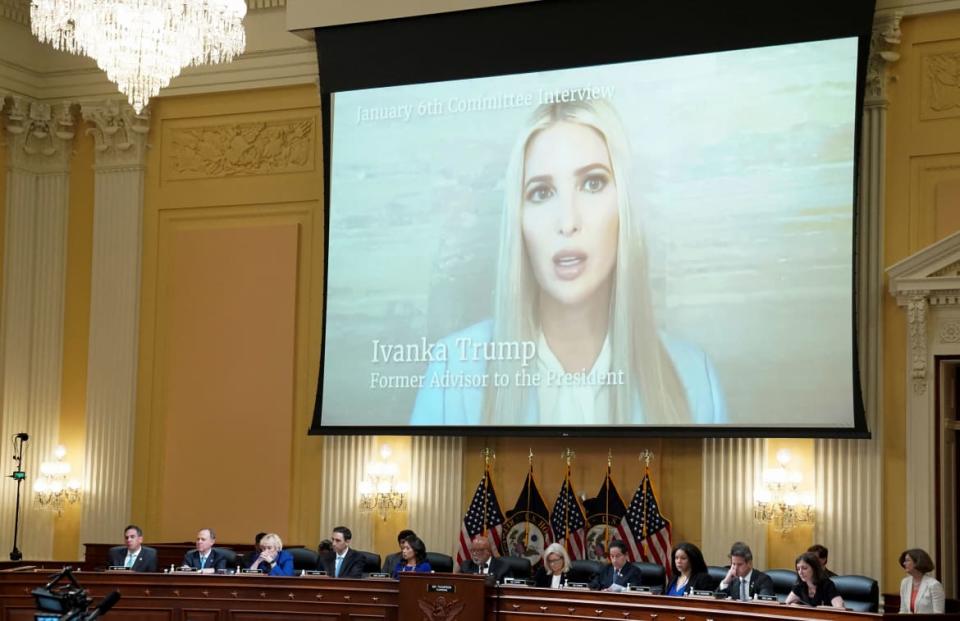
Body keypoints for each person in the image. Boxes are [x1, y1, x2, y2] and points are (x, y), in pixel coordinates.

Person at [410, 98, 726, 426]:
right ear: (518, 222)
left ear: (625, 207)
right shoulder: (454, 368)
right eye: (542, 193)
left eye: (592, 183)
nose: (567, 221)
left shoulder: (695, 378)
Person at [898, 548, 945, 613]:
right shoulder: (905, 582)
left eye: (907, 560)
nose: (904, 563)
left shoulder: (934, 585)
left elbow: (938, 614)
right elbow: (903, 611)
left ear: (917, 562)